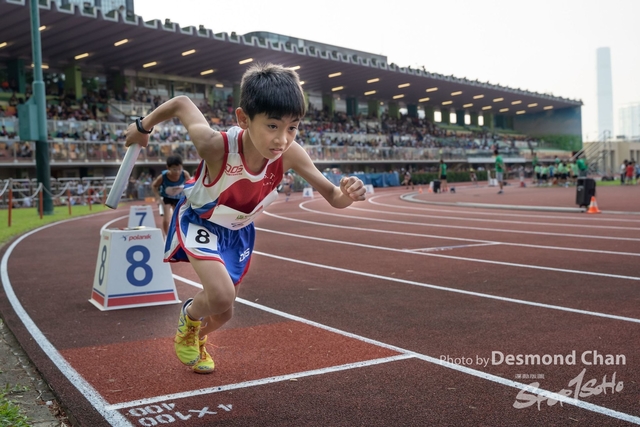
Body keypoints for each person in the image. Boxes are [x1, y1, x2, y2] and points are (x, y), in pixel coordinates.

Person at [124, 63, 366, 374]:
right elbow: (182, 103)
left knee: (224, 312)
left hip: (238, 232)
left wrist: (349, 192)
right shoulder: (216, 147)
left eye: (293, 127)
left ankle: (197, 337)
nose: (282, 140)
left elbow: (334, 197)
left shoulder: (291, 154)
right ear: (243, 119)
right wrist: (142, 128)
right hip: (200, 221)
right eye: (273, 126)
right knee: (220, 294)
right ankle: (189, 319)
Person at [152, 154, 192, 236]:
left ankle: (178, 235)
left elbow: (191, 185)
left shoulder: (184, 174)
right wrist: (158, 199)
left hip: (179, 198)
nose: (177, 172)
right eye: (174, 169)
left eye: (179, 169)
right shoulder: (163, 176)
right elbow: (154, 186)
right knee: (166, 219)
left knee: (178, 218)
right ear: (168, 168)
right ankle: (167, 236)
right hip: (167, 198)